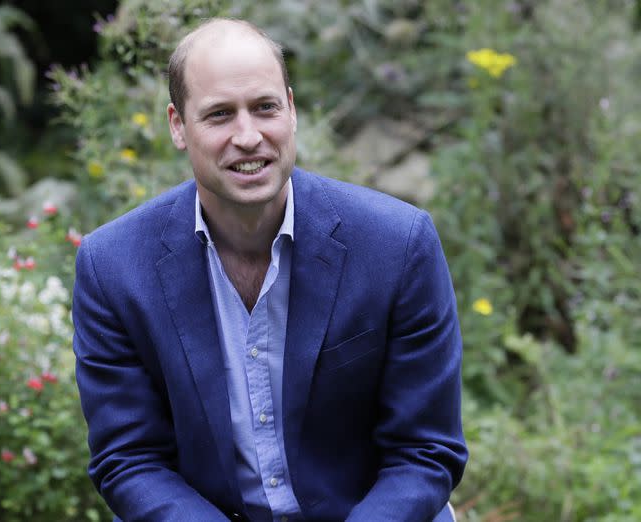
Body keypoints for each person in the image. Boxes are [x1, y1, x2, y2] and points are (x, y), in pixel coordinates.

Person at [72, 17, 467, 522]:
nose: (248, 135)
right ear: (177, 125)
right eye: (219, 115)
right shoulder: (113, 268)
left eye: (265, 107)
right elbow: (129, 459)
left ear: (292, 109)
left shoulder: (398, 244)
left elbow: (425, 452)